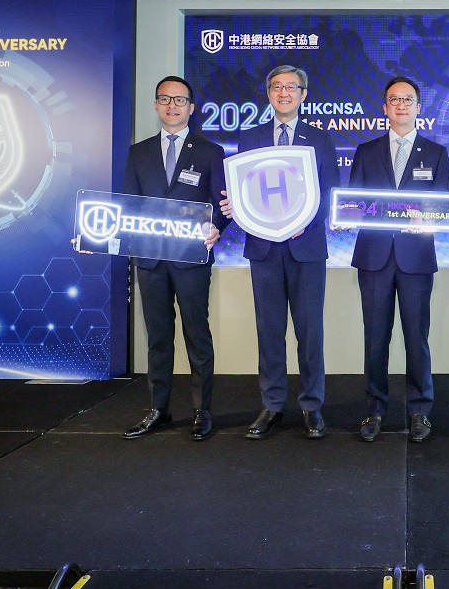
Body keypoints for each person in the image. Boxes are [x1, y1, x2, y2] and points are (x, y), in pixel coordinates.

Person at [220, 65, 339, 440]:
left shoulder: (320, 140)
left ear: (304, 94)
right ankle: (271, 405)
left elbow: (330, 194)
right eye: (277, 87)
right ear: (268, 94)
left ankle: (312, 407)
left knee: (309, 331)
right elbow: (244, 190)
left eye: (291, 87)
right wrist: (234, 206)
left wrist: (308, 220)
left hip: (306, 248)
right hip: (264, 248)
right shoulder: (250, 138)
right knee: (269, 331)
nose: (284, 93)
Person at [122, 75, 228, 441]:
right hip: (149, 261)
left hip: (191, 258)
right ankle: (159, 409)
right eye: (165, 99)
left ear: (191, 108)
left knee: (197, 335)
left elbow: (223, 206)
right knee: (158, 337)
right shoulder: (139, 152)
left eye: (180, 100)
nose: (172, 105)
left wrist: (217, 228)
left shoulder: (211, 152)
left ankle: (202, 411)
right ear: (156, 105)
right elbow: (128, 206)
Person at [348, 77, 449, 443]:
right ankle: (375, 409)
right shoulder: (366, 151)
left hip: (416, 258)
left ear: (419, 107)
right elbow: (355, 203)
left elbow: (443, 206)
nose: (401, 105)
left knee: (416, 338)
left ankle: (419, 411)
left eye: (408, 99)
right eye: (394, 99)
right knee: (375, 339)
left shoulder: (436, 153)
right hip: (375, 257)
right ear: (384, 108)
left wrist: (428, 219)